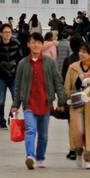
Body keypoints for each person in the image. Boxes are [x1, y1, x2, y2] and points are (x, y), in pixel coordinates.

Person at [13, 31, 67, 168]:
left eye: (38, 43)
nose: (36, 45)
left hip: (45, 103)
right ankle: (30, 156)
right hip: (29, 104)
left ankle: (40, 157)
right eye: (33, 42)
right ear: (28, 44)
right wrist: (15, 104)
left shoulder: (50, 63)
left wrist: (61, 101)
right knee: (30, 130)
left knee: (43, 135)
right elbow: (17, 85)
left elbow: (58, 82)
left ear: (42, 45)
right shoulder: (22, 64)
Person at [0, 22, 24, 128]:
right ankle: (2, 122)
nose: (7, 34)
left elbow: (21, 59)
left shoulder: (16, 43)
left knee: (16, 99)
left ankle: (11, 117)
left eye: (9, 32)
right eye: (5, 32)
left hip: (14, 76)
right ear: (1, 33)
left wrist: (19, 72)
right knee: (1, 101)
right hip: (1, 76)